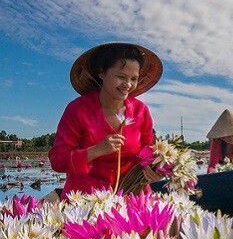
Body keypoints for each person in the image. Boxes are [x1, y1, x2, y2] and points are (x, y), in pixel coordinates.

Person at [49, 42, 162, 198]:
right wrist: (97, 150)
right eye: (121, 77)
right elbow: (58, 160)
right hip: (84, 202)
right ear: (101, 73)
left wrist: (155, 169)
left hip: (131, 197)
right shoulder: (78, 109)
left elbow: (148, 151)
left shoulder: (140, 111)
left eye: (134, 79)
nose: (128, 85)